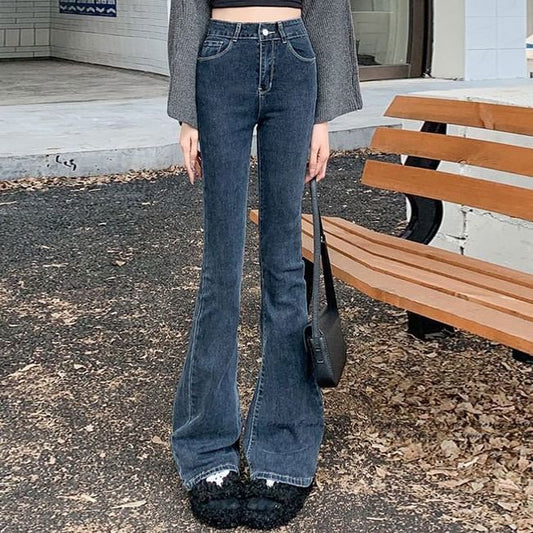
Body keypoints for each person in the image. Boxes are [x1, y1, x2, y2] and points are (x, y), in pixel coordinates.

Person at [166, 0, 363, 528]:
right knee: (221, 270)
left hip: (296, 59)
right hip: (219, 58)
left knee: (284, 266)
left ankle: (284, 447)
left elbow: (326, 7)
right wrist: (187, 113)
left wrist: (323, 117)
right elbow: (188, 6)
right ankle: (206, 448)